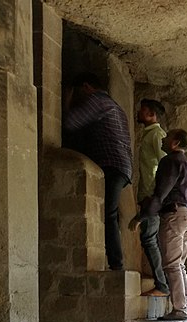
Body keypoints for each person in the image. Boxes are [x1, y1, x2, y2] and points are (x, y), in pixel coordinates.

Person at [63, 73, 133, 271]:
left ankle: (116, 265)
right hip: (123, 165)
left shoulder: (97, 100)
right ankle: (115, 261)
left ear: (87, 87)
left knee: (109, 214)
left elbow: (70, 122)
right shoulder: (115, 105)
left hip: (112, 163)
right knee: (112, 213)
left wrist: (67, 101)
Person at [129, 129, 187, 321]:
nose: (163, 139)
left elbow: (161, 193)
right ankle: (184, 306)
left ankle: (180, 310)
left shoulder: (170, 161)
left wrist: (141, 216)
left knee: (172, 264)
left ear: (175, 143)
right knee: (179, 264)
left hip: (174, 214)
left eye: (167, 138)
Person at [135, 99, 169, 297]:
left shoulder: (156, 135)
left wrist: (155, 196)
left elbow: (164, 164)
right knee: (150, 238)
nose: (139, 113)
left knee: (149, 239)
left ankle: (162, 286)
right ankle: (161, 284)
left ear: (151, 115)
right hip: (150, 196)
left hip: (151, 197)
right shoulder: (151, 134)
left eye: (143, 110)